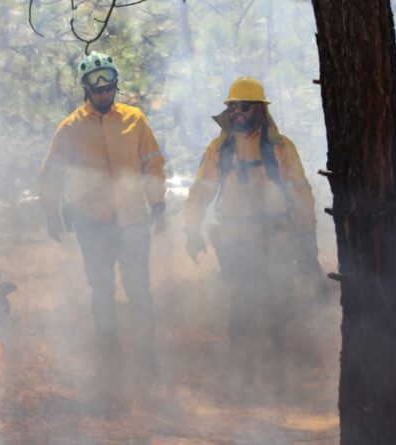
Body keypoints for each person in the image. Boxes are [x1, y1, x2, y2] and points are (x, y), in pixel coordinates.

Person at [183, 76, 323, 397]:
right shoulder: (219, 149)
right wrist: (191, 229)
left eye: (244, 106)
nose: (237, 113)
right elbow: (201, 190)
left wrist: (307, 237)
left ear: (260, 109)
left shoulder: (280, 147)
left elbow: (300, 192)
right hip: (235, 243)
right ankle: (240, 378)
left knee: (275, 309)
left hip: (276, 239)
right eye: (232, 107)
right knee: (240, 309)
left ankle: (276, 380)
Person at [40, 51, 167, 397]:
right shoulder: (70, 128)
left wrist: (158, 203)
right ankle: (109, 362)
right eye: (96, 88)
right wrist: (51, 211)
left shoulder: (135, 120)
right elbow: (51, 173)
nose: (103, 93)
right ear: (86, 89)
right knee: (102, 291)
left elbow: (153, 164)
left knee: (139, 291)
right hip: (92, 222)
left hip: (132, 220)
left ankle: (147, 362)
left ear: (115, 84)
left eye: (108, 86)